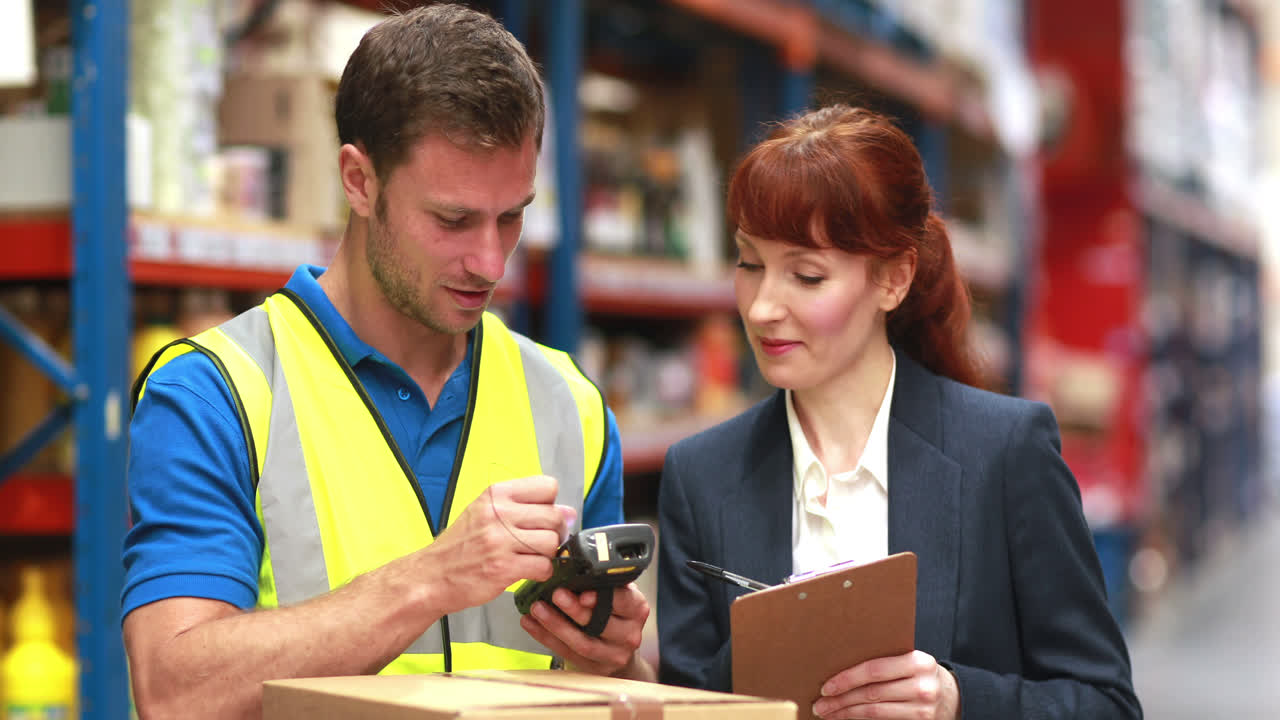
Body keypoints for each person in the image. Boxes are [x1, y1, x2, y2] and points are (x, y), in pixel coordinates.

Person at [122, 6, 652, 718]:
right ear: (359, 181)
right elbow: (174, 692)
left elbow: (626, 688)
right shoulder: (217, 391)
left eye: (512, 216)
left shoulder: (568, 402)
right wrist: (430, 579)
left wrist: (619, 655)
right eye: (453, 220)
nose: (491, 262)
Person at [656, 104, 1141, 719]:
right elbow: (689, 704)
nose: (761, 309)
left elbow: (1106, 704)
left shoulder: (1004, 453)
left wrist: (958, 700)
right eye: (750, 265)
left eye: (805, 276)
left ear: (893, 280)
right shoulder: (703, 477)